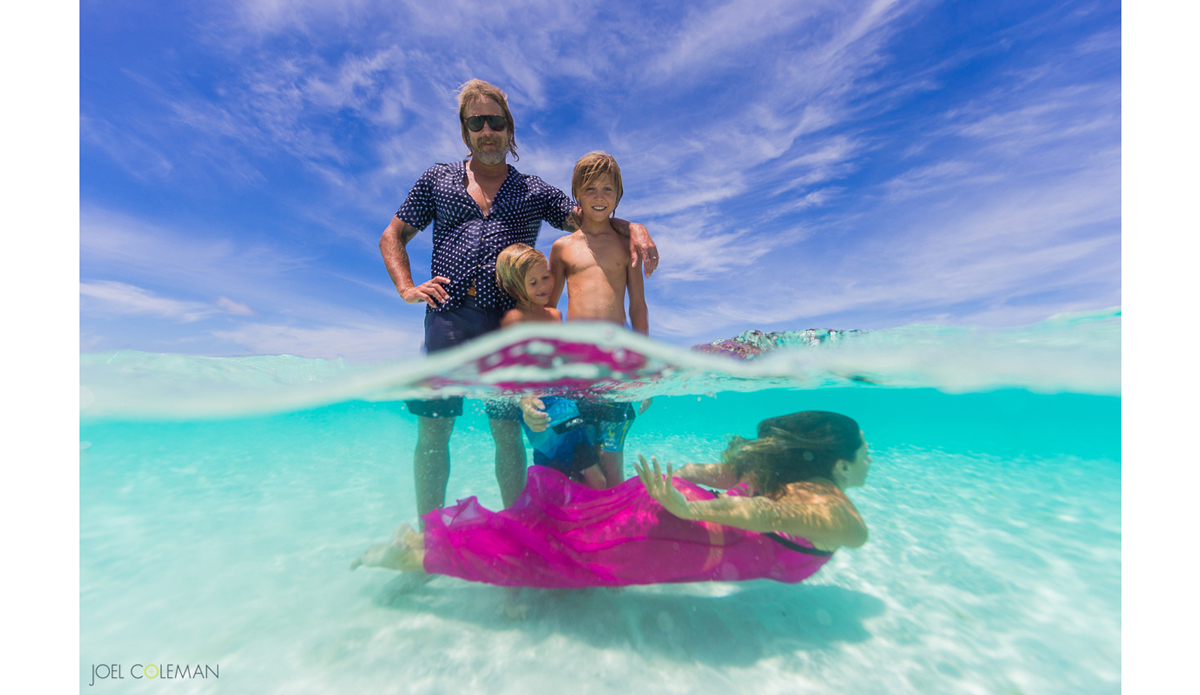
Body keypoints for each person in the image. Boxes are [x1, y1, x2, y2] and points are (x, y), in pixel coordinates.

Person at [379, 80, 659, 521]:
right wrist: (406, 286)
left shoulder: (533, 190)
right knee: (434, 431)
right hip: (448, 318)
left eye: (497, 121)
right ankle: (429, 534)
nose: (488, 130)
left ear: (511, 130)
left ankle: (518, 528)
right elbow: (393, 234)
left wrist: (635, 227)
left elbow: (590, 218)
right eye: (478, 122)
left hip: (507, 323)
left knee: (507, 432)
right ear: (465, 129)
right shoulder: (437, 179)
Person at [353, 411, 871, 588]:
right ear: (840, 462)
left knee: (559, 539)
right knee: (556, 563)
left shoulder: (778, 471)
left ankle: (430, 539)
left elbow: (699, 473)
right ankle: (415, 554)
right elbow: (764, 514)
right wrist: (694, 508)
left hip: (672, 513)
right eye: (865, 452)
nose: (871, 459)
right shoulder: (844, 519)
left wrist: (687, 495)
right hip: (678, 531)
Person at [521, 152, 651, 488]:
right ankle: (577, 529)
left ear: (618, 196)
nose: (599, 197)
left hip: (615, 364)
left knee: (611, 463)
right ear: (577, 194)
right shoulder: (562, 247)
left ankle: (613, 532)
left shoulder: (627, 246)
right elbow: (546, 309)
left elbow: (638, 306)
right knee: (576, 460)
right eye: (590, 189)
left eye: (608, 189)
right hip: (575, 364)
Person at [495, 243, 561, 327]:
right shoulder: (515, 319)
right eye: (533, 283)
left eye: (545, 277)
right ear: (514, 289)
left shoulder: (555, 315)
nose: (543, 286)